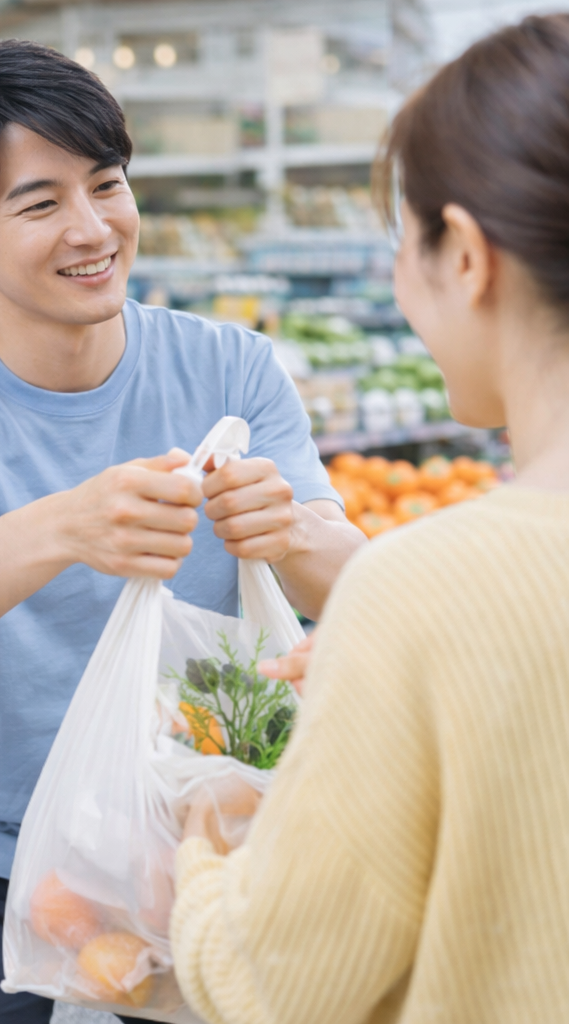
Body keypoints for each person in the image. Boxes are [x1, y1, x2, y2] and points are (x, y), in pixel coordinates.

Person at [0, 39, 365, 1024]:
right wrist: (71, 525)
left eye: (107, 184)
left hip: (198, 836)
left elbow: (357, 587)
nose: (93, 228)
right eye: (41, 204)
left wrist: (288, 531)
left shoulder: (234, 370)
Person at [170, 16, 569, 1023]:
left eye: (406, 241)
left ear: (465, 255)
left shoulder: (424, 591)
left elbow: (272, 984)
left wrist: (202, 839)